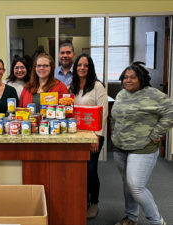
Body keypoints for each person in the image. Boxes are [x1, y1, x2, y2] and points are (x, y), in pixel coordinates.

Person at [111, 62, 172, 225]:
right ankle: (131, 217)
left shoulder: (153, 94)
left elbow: (170, 112)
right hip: (120, 147)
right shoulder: (122, 94)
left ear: (141, 79)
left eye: (132, 77)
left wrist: (156, 133)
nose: (128, 80)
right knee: (128, 185)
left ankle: (157, 221)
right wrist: (113, 132)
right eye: (125, 77)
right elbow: (115, 117)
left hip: (143, 148)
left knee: (136, 186)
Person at [69, 53, 108, 219]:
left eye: (85, 65)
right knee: (78, 169)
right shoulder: (73, 86)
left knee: (91, 170)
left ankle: (94, 202)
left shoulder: (98, 86)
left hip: (93, 136)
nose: (82, 68)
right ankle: (82, 199)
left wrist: (96, 137)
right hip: (76, 135)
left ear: (90, 68)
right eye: (79, 65)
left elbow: (103, 112)